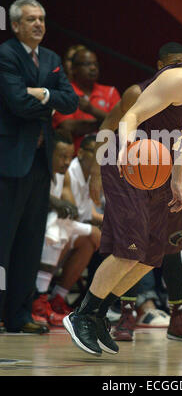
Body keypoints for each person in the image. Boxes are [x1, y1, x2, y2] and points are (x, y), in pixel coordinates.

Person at [63, 18, 182, 356]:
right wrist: (126, 153)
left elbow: (180, 133)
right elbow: (131, 117)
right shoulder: (180, 78)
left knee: (152, 255)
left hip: (159, 167)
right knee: (130, 247)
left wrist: (176, 178)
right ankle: (82, 315)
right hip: (127, 160)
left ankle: (101, 314)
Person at [101, 42, 182, 343]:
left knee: (172, 248)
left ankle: (178, 319)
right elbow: (109, 126)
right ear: (160, 66)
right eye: (175, 64)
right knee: (132, 249)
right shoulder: (137, 94)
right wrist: (95, 173)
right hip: (136, 179)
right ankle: (127, 313)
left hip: (169, 180)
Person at [0, 0, 78, 334]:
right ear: (15, 25)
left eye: (42, 19)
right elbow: (16, 102)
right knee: (3, 242)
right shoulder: (6, 54)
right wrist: (50, 100)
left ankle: (20, 315)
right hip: (10, 162)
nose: (38, 25)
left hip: (39, 164)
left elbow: (70, 101)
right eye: (31, 19)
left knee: (30, 242)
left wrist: (43, 95)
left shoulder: (51, 58)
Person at [32, 133, 102, 326]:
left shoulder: (85, 176)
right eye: (61, 156)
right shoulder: (69, 173)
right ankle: (39, 298)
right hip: (36, 234)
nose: (65, 161)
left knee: (87, 239)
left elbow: (81, 214)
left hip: (56, 231)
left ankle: (57, 299)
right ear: (81, 153)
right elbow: (70, 215)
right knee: (61, 227)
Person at [53, 48, 121, 153]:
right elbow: (67, 127)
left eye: (95, 64)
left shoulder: (110, 92)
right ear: (74, 68)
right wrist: (104, 123)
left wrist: (91, 110)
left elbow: (120, 124)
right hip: (74, 158)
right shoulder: (65, 91)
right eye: (87, 64)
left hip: (106, 158)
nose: (93, 68)